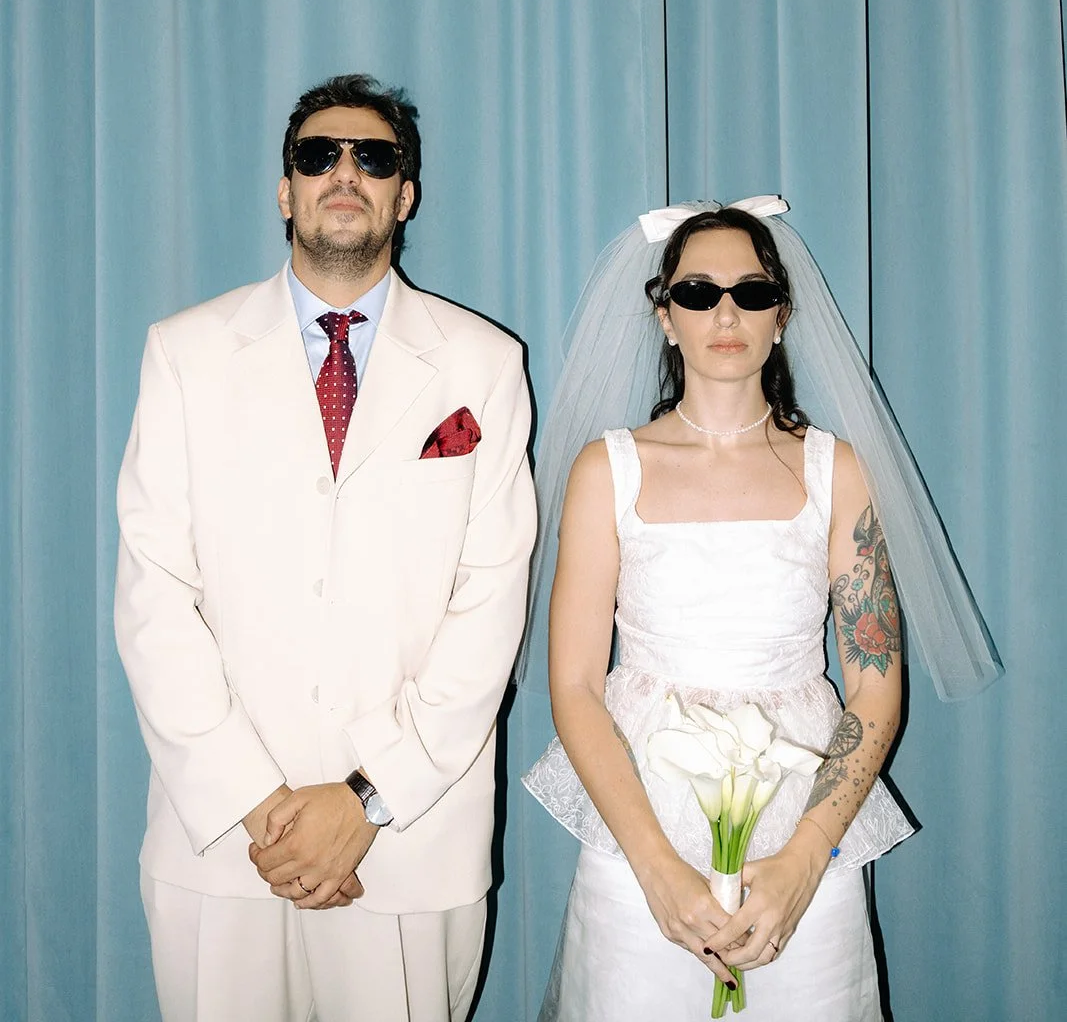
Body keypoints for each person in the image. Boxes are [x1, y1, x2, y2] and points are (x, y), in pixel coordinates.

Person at [115, 73, 537, 1022]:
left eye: (374, 158)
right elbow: (153, 598)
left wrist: (366, 800)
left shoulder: (483, 364)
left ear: (404, 194)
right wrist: (264, 806)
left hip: (410, 845)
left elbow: (489, 605)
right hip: (223, 842)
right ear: (285, 190)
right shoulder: (183, 354)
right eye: (318, 155)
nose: (344, 173)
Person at [521, 200, 999, 1021]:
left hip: (803, 826)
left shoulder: (836, 471)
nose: (726, 312)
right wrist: (657, 868)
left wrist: (806, 858)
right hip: (638, 832)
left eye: (750, 290)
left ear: (782, 313)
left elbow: (874, 688)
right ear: (664, 316)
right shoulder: (606, 469)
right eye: (698, 292)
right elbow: (573, 686)